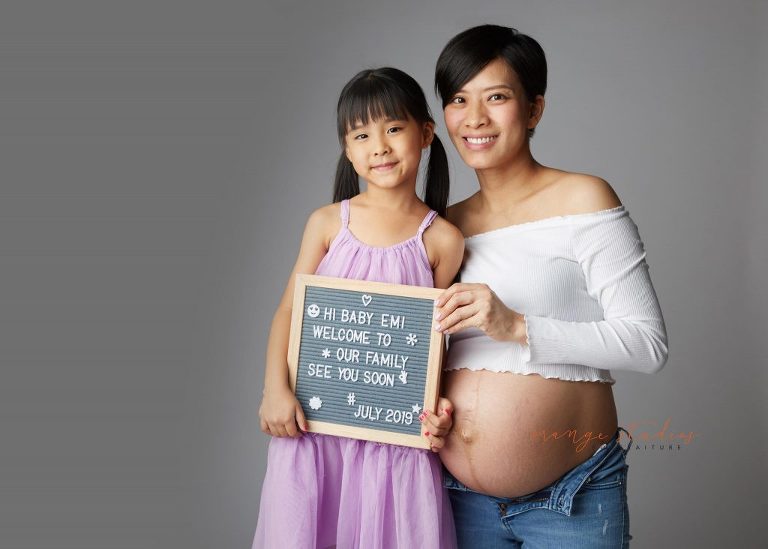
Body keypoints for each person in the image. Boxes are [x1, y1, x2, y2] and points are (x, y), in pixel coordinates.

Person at [431, 25, 668, 548]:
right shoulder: (442, 227)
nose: (475, 118)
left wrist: (517, 325)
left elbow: (647, 344)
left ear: (534, 109)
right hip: (455, 498)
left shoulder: (583, 198)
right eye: (458, 100)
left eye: (497, 97)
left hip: (571, 497)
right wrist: (432, 414)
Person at [253, 67, 463, 549]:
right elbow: (289, 311)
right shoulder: (328, 223)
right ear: (348, 150)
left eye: (394, 128)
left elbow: (434, 345)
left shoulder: (443, 240)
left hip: (395, 443)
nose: (379, 147)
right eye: (362, 135)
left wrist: (438, 409)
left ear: (426, 134)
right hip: (314, 433)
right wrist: (274, 389)